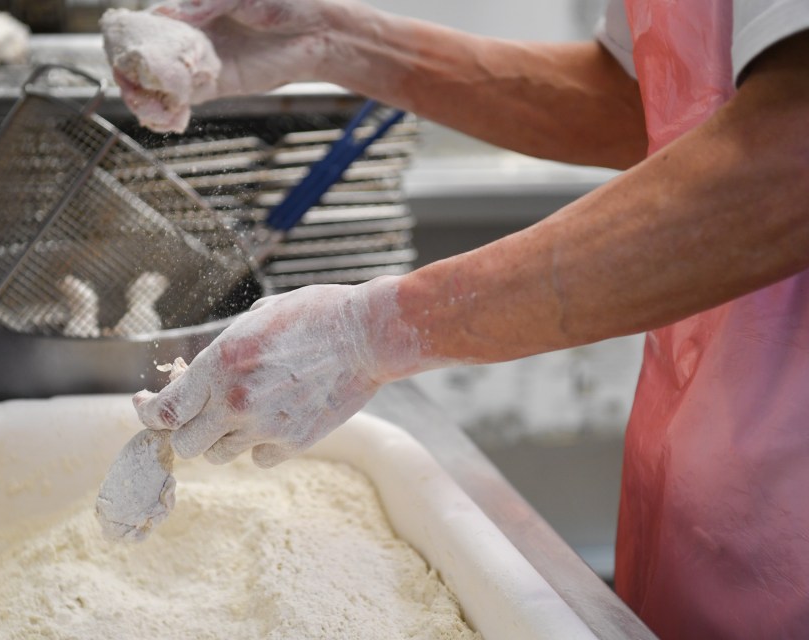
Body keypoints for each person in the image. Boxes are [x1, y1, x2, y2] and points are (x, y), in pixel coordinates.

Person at [115, 1, 809, 637]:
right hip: (702, 478)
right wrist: (331, 41)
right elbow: (647, 100)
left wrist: (372, 332)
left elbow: (788, 160)